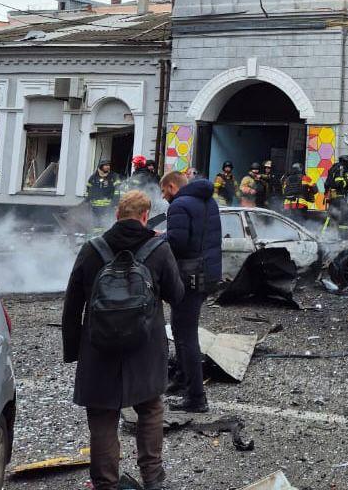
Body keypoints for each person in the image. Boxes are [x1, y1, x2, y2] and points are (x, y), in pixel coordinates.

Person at [62, 189, 185, 490]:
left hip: (99, 348)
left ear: (116, 215)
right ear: (145, 216)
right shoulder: (158, 249)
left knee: (103, 417)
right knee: (150, 409)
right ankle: (152, 478)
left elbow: (72, 304)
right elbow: (177, 295)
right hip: (145, 347)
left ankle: (106, 483)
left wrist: (74, 350)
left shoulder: (92, 249)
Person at [160, 170, 222, 413]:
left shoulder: (178, 205)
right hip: (207, 274)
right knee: (181, 329)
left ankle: (196, 398)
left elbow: (177, 243)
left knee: (186, 335)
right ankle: (182, 379)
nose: (163, 196)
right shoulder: (209, 201)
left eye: (164, 191)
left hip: (189, 276)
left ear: (172, 186)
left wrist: (159, 238)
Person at [325, 155, 348, 238]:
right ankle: (343, 236)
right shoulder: (341, 168)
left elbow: (330, 183)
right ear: (346, 162)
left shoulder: (335, 168)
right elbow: (338, 183)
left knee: (333, 216)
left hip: (334, 197)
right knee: (346, 214)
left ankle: (327, 234)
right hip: (338, 197)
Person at [86, 159, 120, 236]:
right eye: (106, 165)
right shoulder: (93, 177)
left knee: (107, 223)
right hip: (95, 207)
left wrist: (115, 202)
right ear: (101, 166)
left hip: (108, 206)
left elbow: (118, 190)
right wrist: (88, 201)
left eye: (109, 165)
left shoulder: (113, 176)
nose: (108, 167)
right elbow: (88, 190)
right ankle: (97, 237)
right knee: (97, 224)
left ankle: (107, 237)